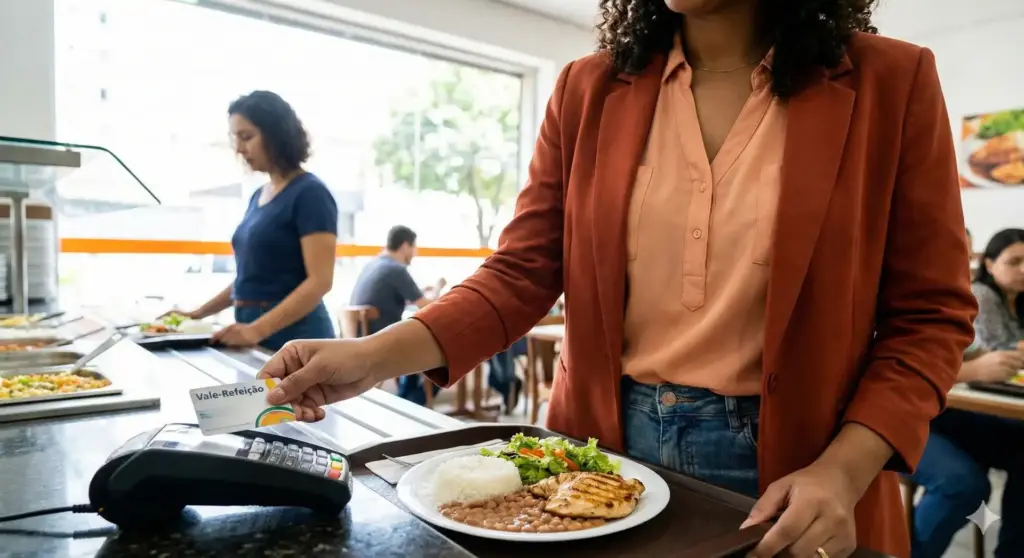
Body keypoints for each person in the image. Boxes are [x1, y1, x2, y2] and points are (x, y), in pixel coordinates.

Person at [256, 2, 977, 557]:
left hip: (802, 465)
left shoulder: (892, 82)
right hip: (600, 445)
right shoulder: (588, 88)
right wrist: (372, 357)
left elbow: (932, 314)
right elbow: (525, 267)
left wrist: (844, 473)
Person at [175, 91, 338, 351]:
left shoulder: (310, 193)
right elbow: (249, 280)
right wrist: (196, 315)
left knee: (276, 393)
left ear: (277, 135)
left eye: (247, 137)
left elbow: (320, 281)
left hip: (298, 337)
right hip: (256, 333)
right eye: (235, 138)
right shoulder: (258, 196)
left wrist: (256, 330)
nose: (239, 149)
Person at [908, 229, 1024, 558]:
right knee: (962, 485)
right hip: (902, 419)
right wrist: (974, 371)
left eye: (967, 255)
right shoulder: (896, 295)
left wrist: (981, 360)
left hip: (943, 412)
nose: (964, 265)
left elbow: (965, 353)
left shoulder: (948, 299)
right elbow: (887, 375)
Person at [349, 225, 442, 404]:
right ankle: (412, 403)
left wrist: (421, 292)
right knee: (439, 348)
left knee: (418, 347)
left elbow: (393, 296)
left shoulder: (374, 263)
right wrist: (438, 287)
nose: (414, 254)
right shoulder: (396, 270)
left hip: (361, 337)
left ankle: (408, 400)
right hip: (382, 341)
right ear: (405, 246)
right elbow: (427, 306)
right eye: (414, 248)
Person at [972, 228, 1024, 351]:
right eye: (1014, 263)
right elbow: (991, 348)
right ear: (989, 265)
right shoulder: (981, 294)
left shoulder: (1018, 294)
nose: (1023, 270)